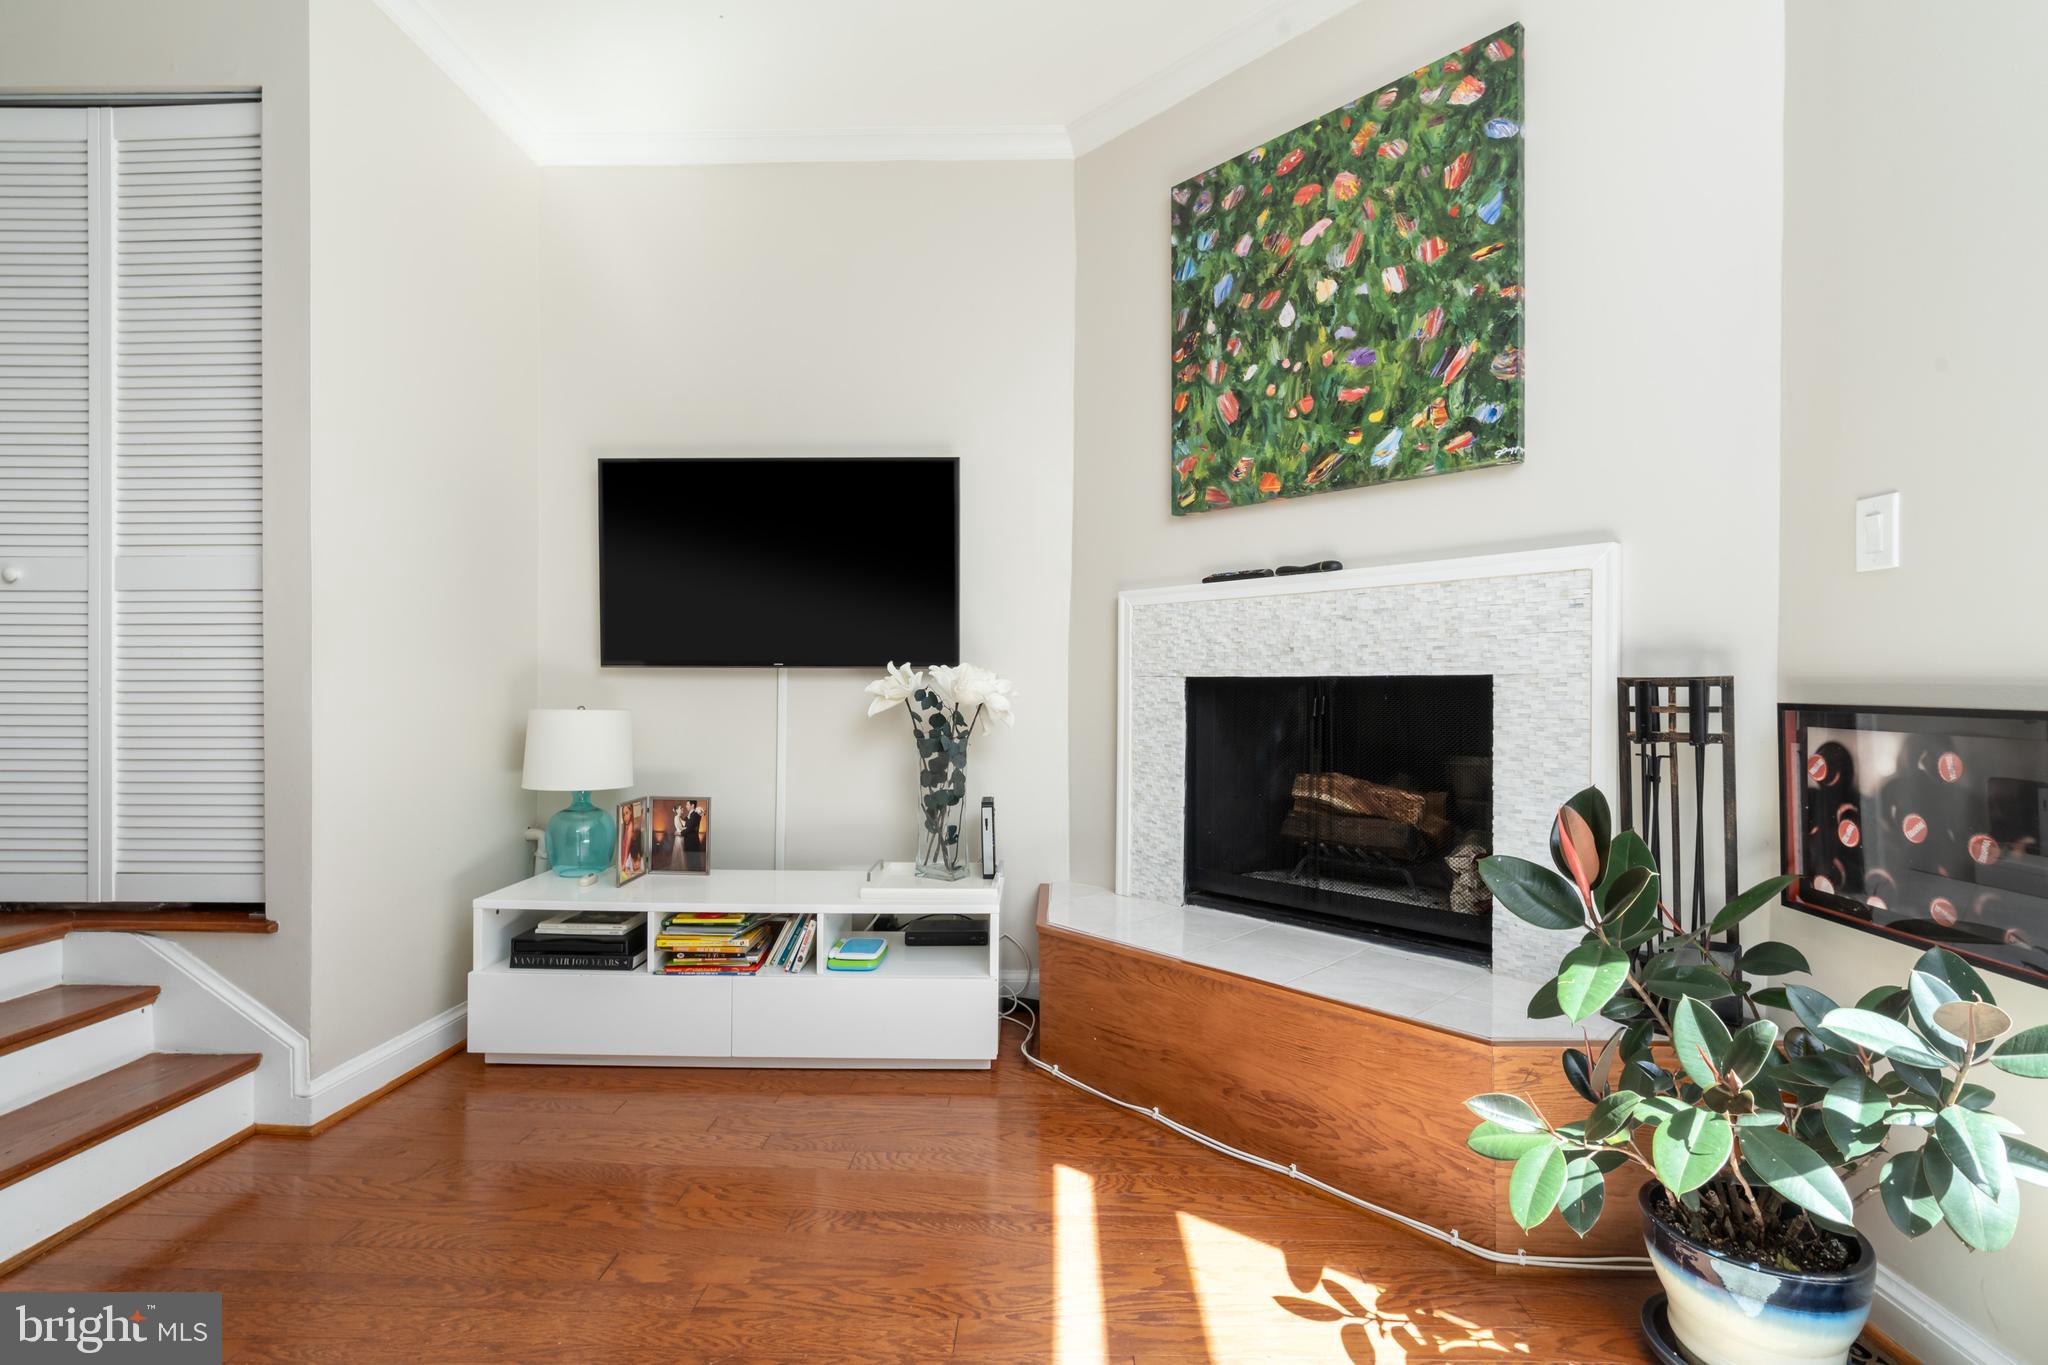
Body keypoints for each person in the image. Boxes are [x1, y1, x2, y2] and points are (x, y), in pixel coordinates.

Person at [682, 799, 706, 872]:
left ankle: (695, 875)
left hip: (693, 842)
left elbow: (690, 828)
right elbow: (686, 823)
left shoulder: (696, 814)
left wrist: (680, 833)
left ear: (692, 805)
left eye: (687, 804)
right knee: (690, 862)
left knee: (694, 862)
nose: (686, 806)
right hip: (688, 841)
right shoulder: (689, 815)